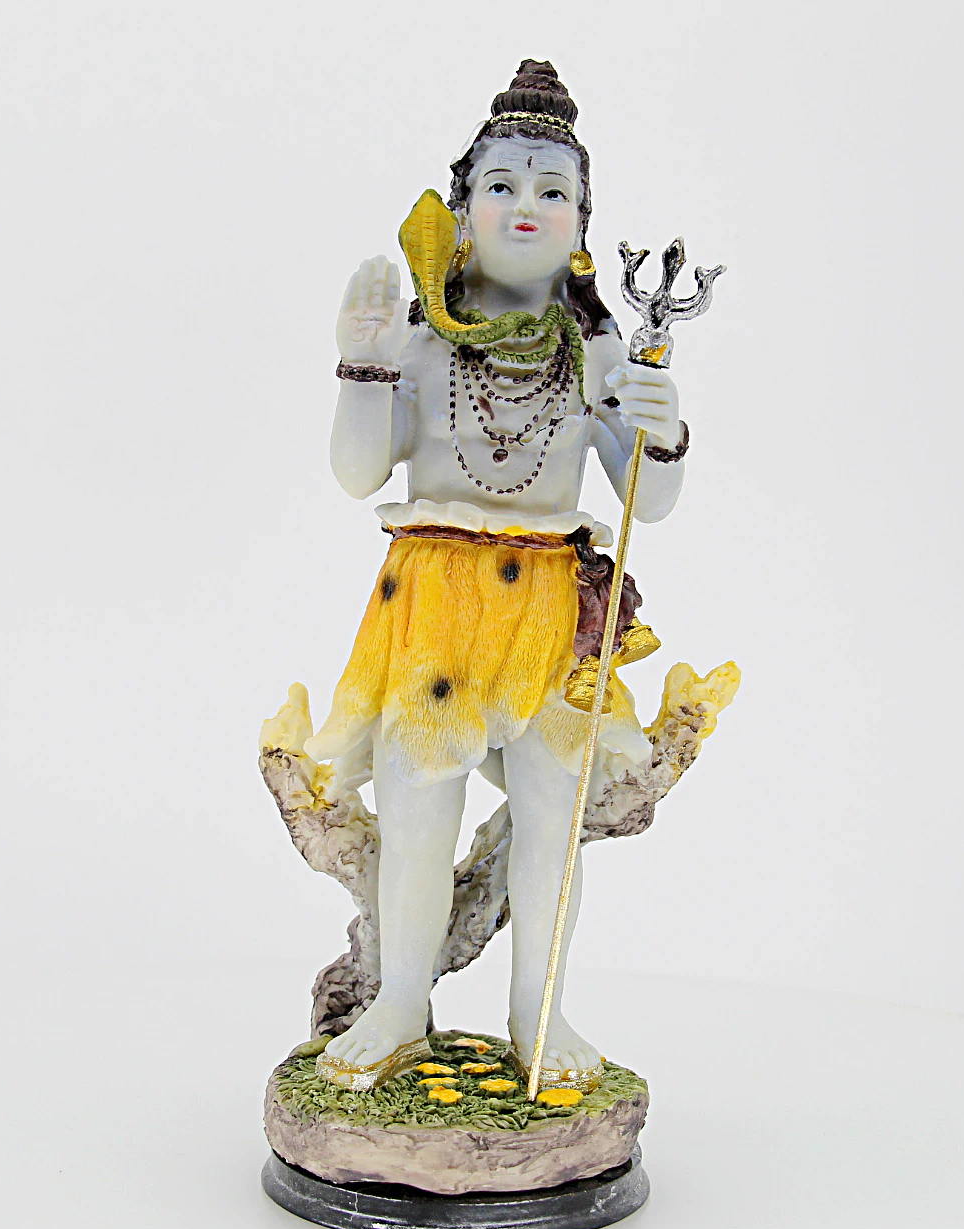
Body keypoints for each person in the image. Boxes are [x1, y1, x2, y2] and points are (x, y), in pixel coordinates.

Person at [304, 61, 689, 1091]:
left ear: (583, 228)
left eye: (553, 191)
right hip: (434, 603)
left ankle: (537, 1009)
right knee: (417, 807)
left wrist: (663, 431)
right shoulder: (427, 338)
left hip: (550, 607)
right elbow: (357, 470)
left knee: (552, 822)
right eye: (503, 185)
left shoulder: (597, 354)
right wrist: (361, 363)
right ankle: (400, 1001)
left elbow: (646, 501)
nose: (527, 205)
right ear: (464, 211)